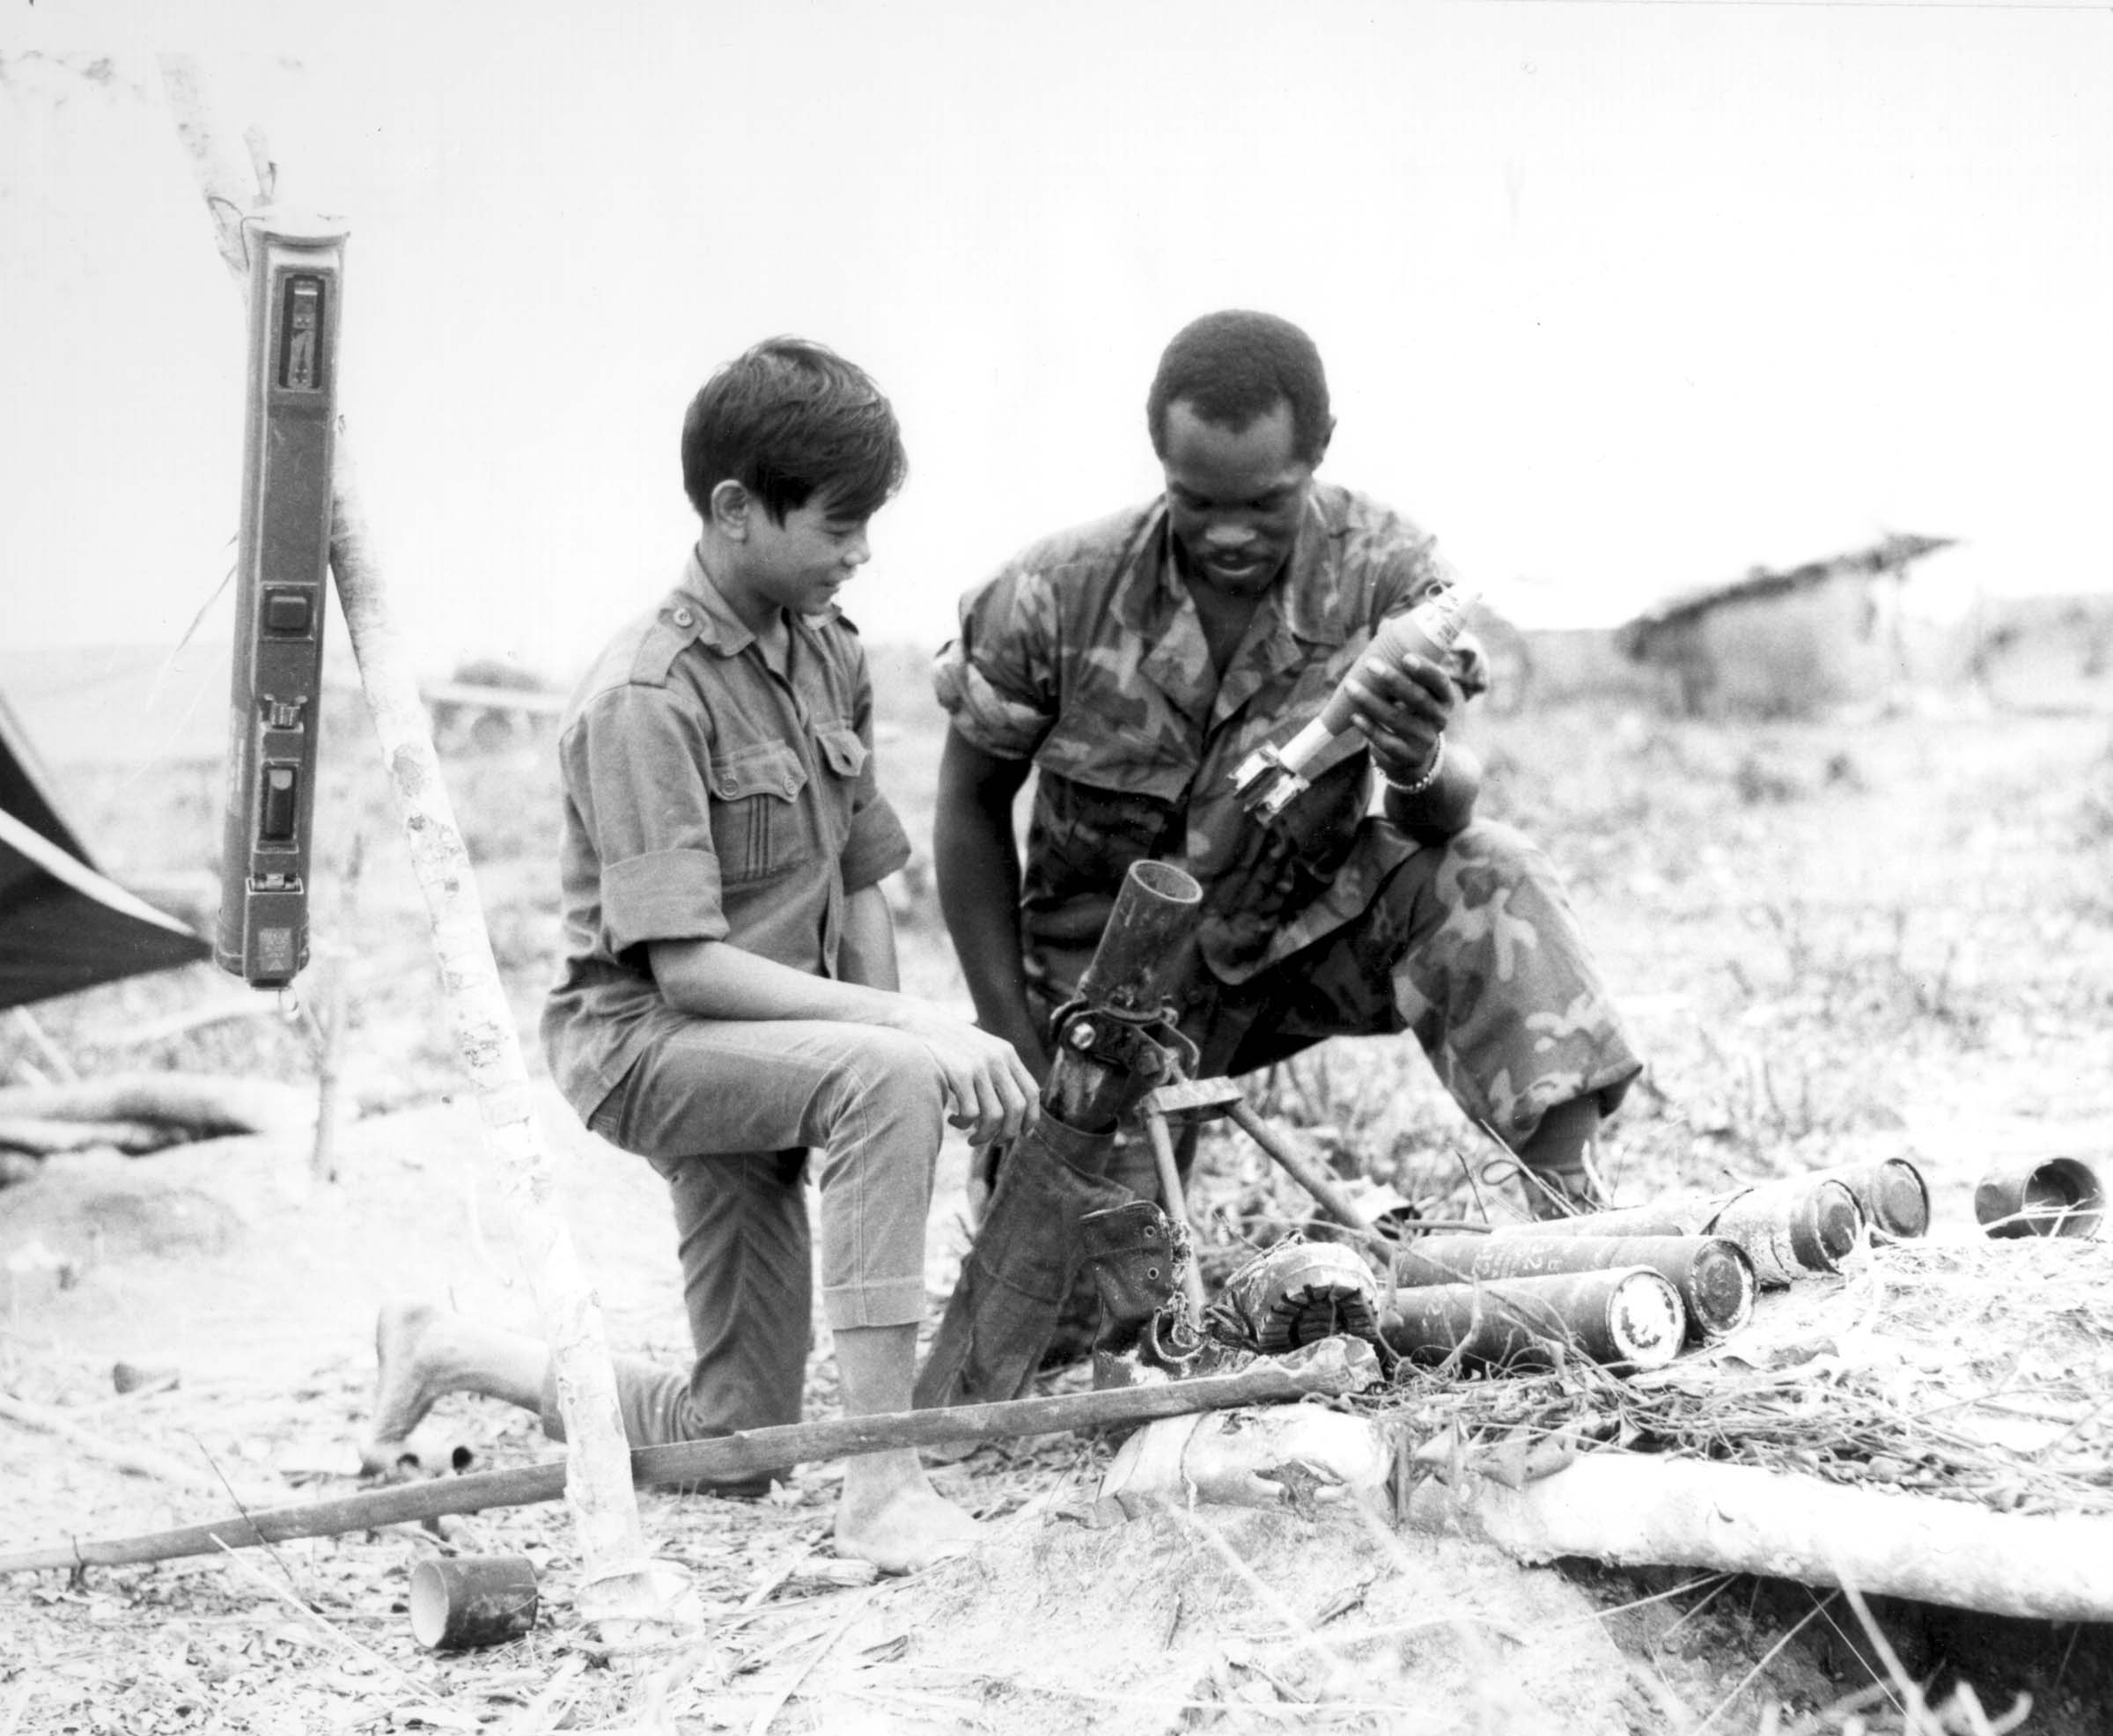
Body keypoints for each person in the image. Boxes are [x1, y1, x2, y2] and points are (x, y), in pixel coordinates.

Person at [362, 337, 1039, 1573]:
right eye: (840, 523)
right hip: (655, 1048)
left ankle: (452, 1347)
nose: (862, 551)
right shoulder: (643, 695)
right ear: (736, 510)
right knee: (889, 1077)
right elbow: (687, 972)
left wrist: (870, 1037)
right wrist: (896, 1047)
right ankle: (882, 1488)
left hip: (777, 1046)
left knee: (745, 1439)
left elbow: (859, 873)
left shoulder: (825, 646)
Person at [932, 309, 1639, 1225]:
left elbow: (1443, 814)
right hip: (1107, 996)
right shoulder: (1054, 592)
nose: (1229, 534)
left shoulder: (1390, 573)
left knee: (1489, 871)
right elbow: (968, 807)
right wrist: (1016, 1043)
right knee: (1068, 1303)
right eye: (1197, 501)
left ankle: (1570, 1219)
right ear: (1160, 460)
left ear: (1320, 451)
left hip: (1291, 950)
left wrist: (1416, 757)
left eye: (1265, 504)